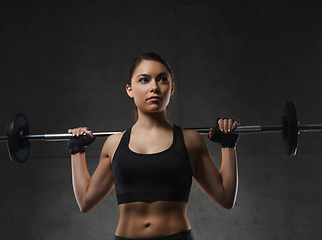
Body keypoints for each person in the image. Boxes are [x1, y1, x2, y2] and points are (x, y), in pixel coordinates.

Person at [68, 52, 239, 240]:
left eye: (162, 79)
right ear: (129, 89)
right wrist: (77, 149)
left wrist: (227, 144)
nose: (154, 87)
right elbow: (85, 201)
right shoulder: (114, 144)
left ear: (171, 88)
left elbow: (226, 197)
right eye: (144, 80)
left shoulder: (190, 141)